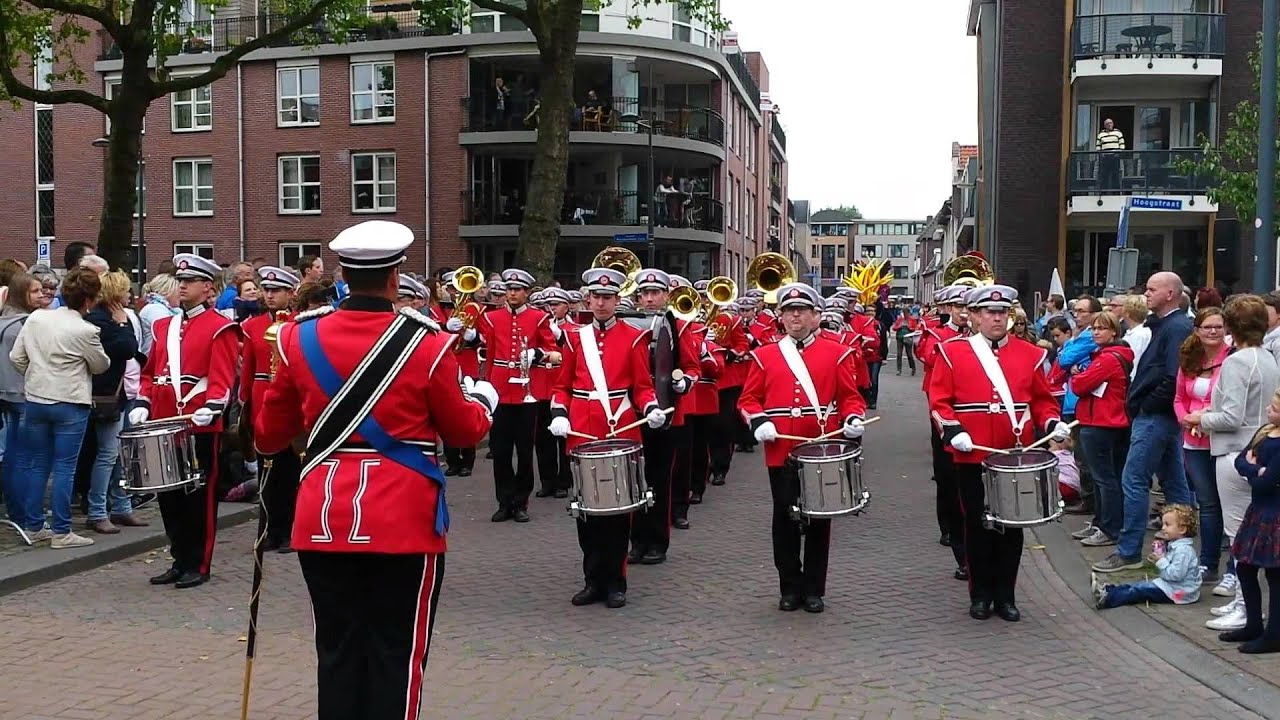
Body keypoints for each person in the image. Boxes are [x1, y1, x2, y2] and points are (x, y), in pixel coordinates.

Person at [255, 220, 498, 718]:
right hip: (402, 520)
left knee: (337, 652)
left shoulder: (296, 339)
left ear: (343, 274)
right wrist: (485, 402)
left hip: (324, 519)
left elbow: (267, 437)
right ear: (394, 278)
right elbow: (464, 432)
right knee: (397, 655)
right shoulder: (428, 345)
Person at [928, 284, 1069, 622]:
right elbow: (940, 402)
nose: (997, 317)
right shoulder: (951, 352)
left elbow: (1042, 401)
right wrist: (953, 430)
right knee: (977, 525)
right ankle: (980, 595)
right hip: (971, 452)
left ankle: (1006, 595)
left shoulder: (1030, 353)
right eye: (989, 312)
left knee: (1012, 526)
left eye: (1002, 312)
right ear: (974, 316)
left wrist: (1052, 424)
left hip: (1013, 453)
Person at [738, 282, 866, 614]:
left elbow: (851, 397)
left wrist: (853, 417)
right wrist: (758, 422)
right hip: (781, 449)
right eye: (789, 311)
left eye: (802, 310)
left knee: (819, 521)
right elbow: (748, 399)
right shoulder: (764, 355)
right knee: (784, 519)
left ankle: (813, 589)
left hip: (821, 449)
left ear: (815, 316)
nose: (795, 316)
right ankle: (789, 587)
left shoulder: (838, 352)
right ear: (780, 316)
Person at [548, 267, 665, 609]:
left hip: (621, 430)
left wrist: (652, 408)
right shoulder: (573, 337)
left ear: (618, 300)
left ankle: (616, 582)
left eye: (608, 298)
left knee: (618, 512)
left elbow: (641, 387)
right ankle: (592, 580)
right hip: (582, 431)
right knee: (586, 512)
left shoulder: (633, 337)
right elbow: (561, 387)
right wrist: (559, 413)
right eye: (596, 297)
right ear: (588, 299)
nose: (601, 303)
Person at [129, 253, 242, 588]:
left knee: (199, 497)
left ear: (208, 287)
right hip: (163, 421)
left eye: (189, 282)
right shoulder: (165, 326)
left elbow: (222, 380)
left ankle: (199, 563)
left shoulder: (221, 327)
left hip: (198, 423)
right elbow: (150, 373)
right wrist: (142, 402)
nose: (182, 287)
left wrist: (213, 406)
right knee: (169, 495)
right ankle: (179, 559)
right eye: (180, 281)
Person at [1185, 295, 1280, 631]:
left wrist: (1199, 417)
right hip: (1255, 446)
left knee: (1238, 533)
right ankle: (1244, 603)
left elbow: (1231, 415)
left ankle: (1245, 607)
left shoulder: (1239, 362)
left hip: (1237, 450)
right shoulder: (1266, 356)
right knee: (1244, 533)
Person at [1093, 272, 1195, 575]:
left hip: (1154, 417)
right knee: (1175, 482)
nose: (1145, 294)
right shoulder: (1168, 326)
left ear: (1170, 294)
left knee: (1134, 480)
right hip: (1158, 416)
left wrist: (1145, 405)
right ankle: (1183, 545)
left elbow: (1171, 376)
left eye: (1152, 289)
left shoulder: (1176, 327)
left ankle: (1129, 551)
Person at [9, 267, 111, 547]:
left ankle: (33, 525)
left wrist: (35, 374)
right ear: (89, 300)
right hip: (70, 401)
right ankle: (61, 531)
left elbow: (16, 357)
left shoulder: (37, 319)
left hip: (37, 399)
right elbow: (101, 365)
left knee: (37, 464)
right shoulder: (86, 329)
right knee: (65, 467)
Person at [471, 268, 558, 523]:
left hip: (525, 392)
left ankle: (521, 502)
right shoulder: (491, 318)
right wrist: (469, 336)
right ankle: (503, 501)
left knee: (524, 449)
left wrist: (536, 354)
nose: (512, 293)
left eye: (518, 289)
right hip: (500, 390)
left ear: (527, 293)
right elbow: (488, 351)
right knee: (500, 450)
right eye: (509, 289)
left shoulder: (539, 318)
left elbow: (552, 351)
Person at [239, 265, 300, 552]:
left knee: (291, 471)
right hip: (263, 399)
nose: (271, 295)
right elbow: (248, 369)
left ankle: (291, 530)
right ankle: (270, 531)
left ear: (291, 293)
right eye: (267, 290)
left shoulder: (301, 324)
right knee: (267, 473)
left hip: (293, 404)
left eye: (277, 290)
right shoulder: (252, 326)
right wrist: (245, 403)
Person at [81, 271, 147, 534]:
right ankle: (98, 510)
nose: (130, 295)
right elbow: (128, 348)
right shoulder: (103, 321)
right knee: (108, 454)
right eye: (126, 290)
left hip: (117, 394)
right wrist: (123, 324)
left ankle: (121, 506)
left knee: (120, 454)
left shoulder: (106, 317)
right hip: (106, 395)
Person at [1173, 308, 1231, 585]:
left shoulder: (1232, 360)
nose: (1213, 332)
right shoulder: (1189, 359)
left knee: (1229, 505)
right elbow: (1178, 397)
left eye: (1218, 327)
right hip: (1193, 442)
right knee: (1207, 504)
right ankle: (1208, 564)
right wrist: (1184, 419)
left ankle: (1233, 567)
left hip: (1222, 440)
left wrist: (1206, 417)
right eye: (1207, 327)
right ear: (1197, 330)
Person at [916, 285, 970, 576]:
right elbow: (929, 359)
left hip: (973, 413)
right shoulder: (936, 334)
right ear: (947, 308)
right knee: (947, 475)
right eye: (957, 306)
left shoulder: (979, 337)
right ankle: (948, 526)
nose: (962, 312)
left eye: (967, 307)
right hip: (943, 410)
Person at [1068, 309, 1133, 549]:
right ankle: (1101, 522)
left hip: (1101, 423)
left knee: (1104, 478)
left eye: (1101, 328)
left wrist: (1079, 376)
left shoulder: (1107, 358)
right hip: (1109, 422)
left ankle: (1108, 527)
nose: (1096, 332)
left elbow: (1079, 385)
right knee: (1107, 477)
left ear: (1114, 331)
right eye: (1094, 328)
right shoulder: (1114, 355)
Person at [1226, 402, 1280, 654]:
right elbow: (1240, 461)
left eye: (1276, 409)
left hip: (1274, 513)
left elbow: (1267, 484)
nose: (1269, 410)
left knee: (1275, 574)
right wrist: (1256, 469)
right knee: (1245, 567)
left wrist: (1255, 472)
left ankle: (1274, 634)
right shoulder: (1264, 431)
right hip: (1258, 511)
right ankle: (1254, 624)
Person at [1094, 504, 1203, 608]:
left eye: (1167, 525)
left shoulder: (1183, 551)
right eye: (1163, 524)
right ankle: (1108, 589)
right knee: (1139, 585)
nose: (1163, 528)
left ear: (1182, 529)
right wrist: (1158, 559)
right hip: (1172, 586)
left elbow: (1175, 575)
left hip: (1178, 592)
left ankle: (1109, 599)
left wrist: (1161, 560)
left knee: (1139, 591)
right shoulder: (1176, 547)